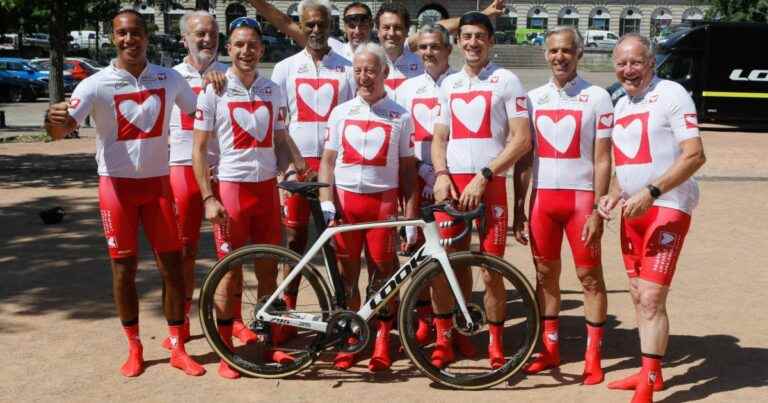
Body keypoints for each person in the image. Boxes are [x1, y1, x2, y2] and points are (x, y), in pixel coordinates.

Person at [44, 10, 205, 377]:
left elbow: (199, 115)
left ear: (146, 37)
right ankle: (134, 348)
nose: (129, 39)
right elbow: (60, 131)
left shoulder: (169, 79)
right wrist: (50, 121)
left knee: (172, 269)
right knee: (123, 270)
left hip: (158, 186)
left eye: (135, 32)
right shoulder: (96, 84)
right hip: (116, 189)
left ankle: (178, 346)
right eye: (122, 34)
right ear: (113, 38)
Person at [192, 17, 308, 379]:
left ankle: (269, 343)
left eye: (253, 44)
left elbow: (280, 138)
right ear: (229, 49)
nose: (246, 51)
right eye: (239, 44)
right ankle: (228, 350)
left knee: (268, 272)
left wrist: (295, 164)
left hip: (265, 192)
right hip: (231, 189)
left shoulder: (273, 90)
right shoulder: (214, 88)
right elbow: (198, 151)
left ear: (262, 49)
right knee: (228, 275)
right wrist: (208, 197)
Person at [598, 33, 706, 403]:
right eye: (622, 63)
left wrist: (653, 192)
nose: (628, 70)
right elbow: (623, 164)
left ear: (652, 63)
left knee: (650, 297)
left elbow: (694, 156)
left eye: (636, 62)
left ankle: (647, 385)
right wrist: (611, 196)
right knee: (637, 294)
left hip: (668, 207)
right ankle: (651, 373)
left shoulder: (672, 94)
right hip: (633, 210)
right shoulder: (621, 102)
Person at [512, 26, 613, 384]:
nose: (560, 57)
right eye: (554, 51)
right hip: (543, 200)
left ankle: (592, 356)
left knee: (589, 278)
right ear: (545, 53)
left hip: (581, 199)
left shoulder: (598, 96)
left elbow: (603, 160)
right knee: (545, 277)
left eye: (567, 51)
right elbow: (524, 159)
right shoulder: (532, 97)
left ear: (579, 53)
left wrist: (599, 210)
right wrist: (517, 209)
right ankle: (549, 348)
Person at [431, 11, 532, 369]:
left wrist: (485, 175)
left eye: (479, 36)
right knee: (446, 265)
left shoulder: (507, 81)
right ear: (458, 43)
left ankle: (494, 342)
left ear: (490, 40)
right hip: (452, 184)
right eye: (466, 37)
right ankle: (446, 338)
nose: (472, 42)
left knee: (491, 270)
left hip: (490, 185)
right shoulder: (449, 84)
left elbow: (521, 140)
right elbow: (439, 136)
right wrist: (441, 174)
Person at [317, 43, 418, 372]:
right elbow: (327, 162)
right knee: (348, 278)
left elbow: (406, 170)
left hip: (382, 204)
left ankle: (381, 340)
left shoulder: (400, 114)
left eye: (371, 70)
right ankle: (352, 336)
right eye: (358, 70)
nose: (364, 77)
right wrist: (326, 201)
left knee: (382, 276)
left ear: (385, 73)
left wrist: (410, 217)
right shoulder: (341, 112)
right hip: (347, 203)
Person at [271, 0, 355, 313]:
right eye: (310, 25)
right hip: (299, 165)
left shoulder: (347, 66)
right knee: (294, 239)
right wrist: (286, 168)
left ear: (330, 26)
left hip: (334, 167)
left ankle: (340, 308)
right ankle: (286, 306)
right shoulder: (285, 68)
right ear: (301, 26)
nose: (316, 30)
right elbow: (279, 124)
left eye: (322, 24)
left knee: (337, 241)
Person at [165, 9, 229, 350]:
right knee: (184, 252)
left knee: (228, 253)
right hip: (181, 170)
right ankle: (181, 323)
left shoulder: (231, 75)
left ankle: (231, 323)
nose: (207, 40)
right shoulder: (171, 76)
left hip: (222, 171)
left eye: (212, 34)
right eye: (199, 34)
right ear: (184, 39)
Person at [246, 0, 506, 63]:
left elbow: (436, 27)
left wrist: (485, 14)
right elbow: (284, 22)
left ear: (371, 26)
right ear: (343, 27)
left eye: (362, 22)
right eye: (351, 22)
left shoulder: (387, 48)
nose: (356, 28)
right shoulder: (331, 48)